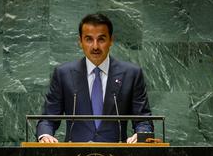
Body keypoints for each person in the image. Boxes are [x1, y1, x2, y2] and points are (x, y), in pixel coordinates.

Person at [36, 13, 153, 143]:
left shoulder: (131, 74)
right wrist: (45, 135)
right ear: (80, 41)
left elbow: (143, 120)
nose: (95, 46)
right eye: (89, 39)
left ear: (111, 40)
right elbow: (48, 119)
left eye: (101, 39)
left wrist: (141, 135)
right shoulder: (63, 74)